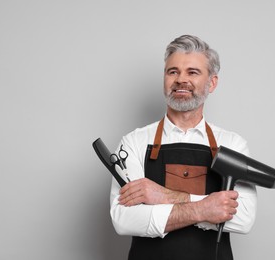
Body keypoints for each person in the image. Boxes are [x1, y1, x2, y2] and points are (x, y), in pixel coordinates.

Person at [110, 35, 257, 260]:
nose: (181, 80)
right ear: (165, 79)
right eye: (173, 71)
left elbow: (243, 218)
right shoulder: (133, 142)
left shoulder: (232, 144)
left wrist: (163, 195)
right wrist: (204, 209)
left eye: (193, 72)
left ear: (212, 82)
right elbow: (124, 219)